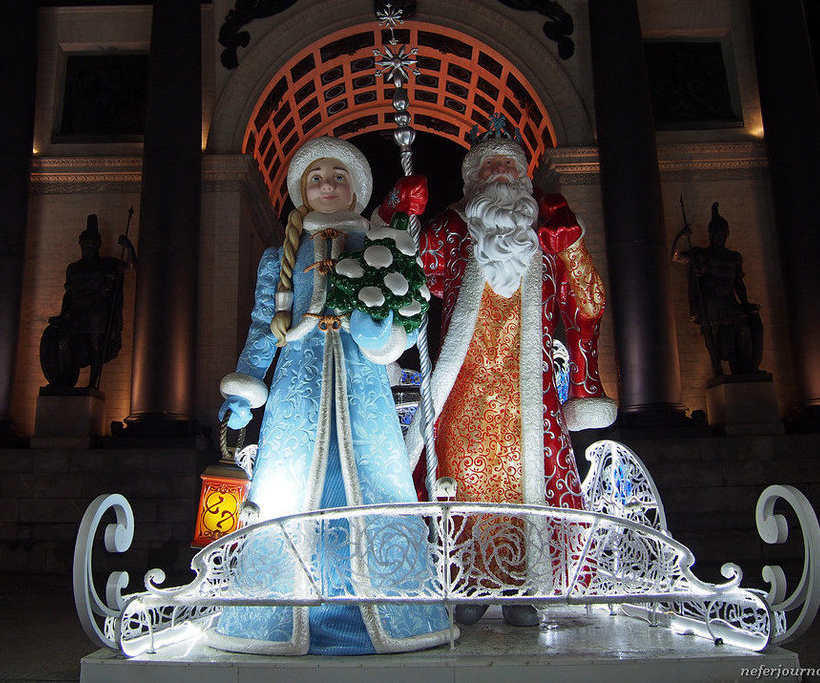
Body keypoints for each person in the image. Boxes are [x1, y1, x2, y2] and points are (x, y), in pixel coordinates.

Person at [205, 137, 455, 656]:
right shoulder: (278, 257)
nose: (327, 185)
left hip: (363, 389)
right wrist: (246, 386)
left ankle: (383, 610)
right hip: (299, 389)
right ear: (301, 189)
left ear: (355, 190)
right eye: (316, 177)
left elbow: (403, 321)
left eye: (338, 177)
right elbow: (263, 325)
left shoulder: (377, 246)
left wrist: (383, 329)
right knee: (292, 486)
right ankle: (285, 611)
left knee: (371, 481)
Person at [410, 132, 617, 627]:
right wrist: (403, 217)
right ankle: (466, 580)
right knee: (461, 485)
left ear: (525, 177)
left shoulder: (549, 234)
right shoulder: (451, 228)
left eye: (509, 164)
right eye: (489, 165)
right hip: (463, 392)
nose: (500, 171)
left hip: (531, 394)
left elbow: (588, 302)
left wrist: (573, 245)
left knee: (531, 485)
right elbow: (413, 277)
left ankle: (528, 585)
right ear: (472, 180)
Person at [39, 214, 135, 389]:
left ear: (97, 246)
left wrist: (129, 247)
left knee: (95, 345)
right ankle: (65, 378)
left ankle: (92, 383)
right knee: (63, 339)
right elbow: (68, 295)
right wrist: (62, 315)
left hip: (97, 311)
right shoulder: (73, 268)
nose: (88, 249)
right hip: (76, 311)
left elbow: (129, 267)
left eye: (91, 245)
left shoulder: (106, 264)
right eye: (85, 245)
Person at [671, 202, 764, 377]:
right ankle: (717, 369)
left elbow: (738, 283)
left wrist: (745, 304)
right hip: (711, 302)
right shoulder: (702, 254)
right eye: (715, 233)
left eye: (722, 233)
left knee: (745, 328)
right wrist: (681, 236)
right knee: (712, 338)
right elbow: (675, 256)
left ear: (727, 234)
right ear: (710, 234)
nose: (719, 237)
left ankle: (745, 368)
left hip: (729, 301)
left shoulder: (734, 257)